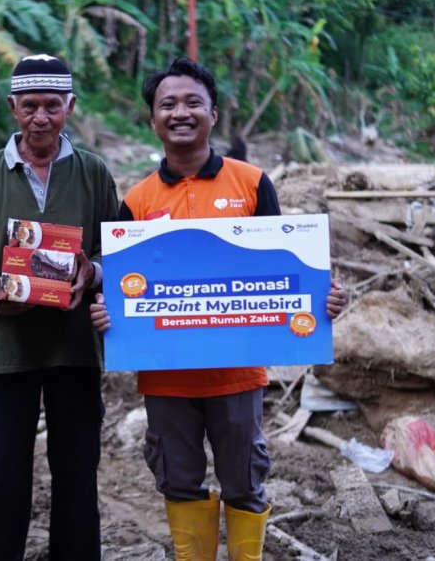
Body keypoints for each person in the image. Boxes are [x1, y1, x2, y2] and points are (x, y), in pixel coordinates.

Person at [89, 57, 347, 561]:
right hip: (166, 380)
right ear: (152, 120)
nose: (180, 112)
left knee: (245, 484)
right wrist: (106, 316)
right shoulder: (136, 202)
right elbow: (123, 292)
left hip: (237, 376)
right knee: (178, 483)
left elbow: (284, 276)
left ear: (213, 113)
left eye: (193, 102)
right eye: (167, 104)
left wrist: (325, 300)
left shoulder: (252, 183)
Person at [0, 54, 119, 561]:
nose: (40, 117)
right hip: (8, 349)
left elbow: (115, 249)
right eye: (29, 106)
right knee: (1, 477)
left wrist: (92, 273)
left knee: (77, 477)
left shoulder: (92, 171)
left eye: (51, 105)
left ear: (71, 106)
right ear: (12, 107)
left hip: (75, 350)